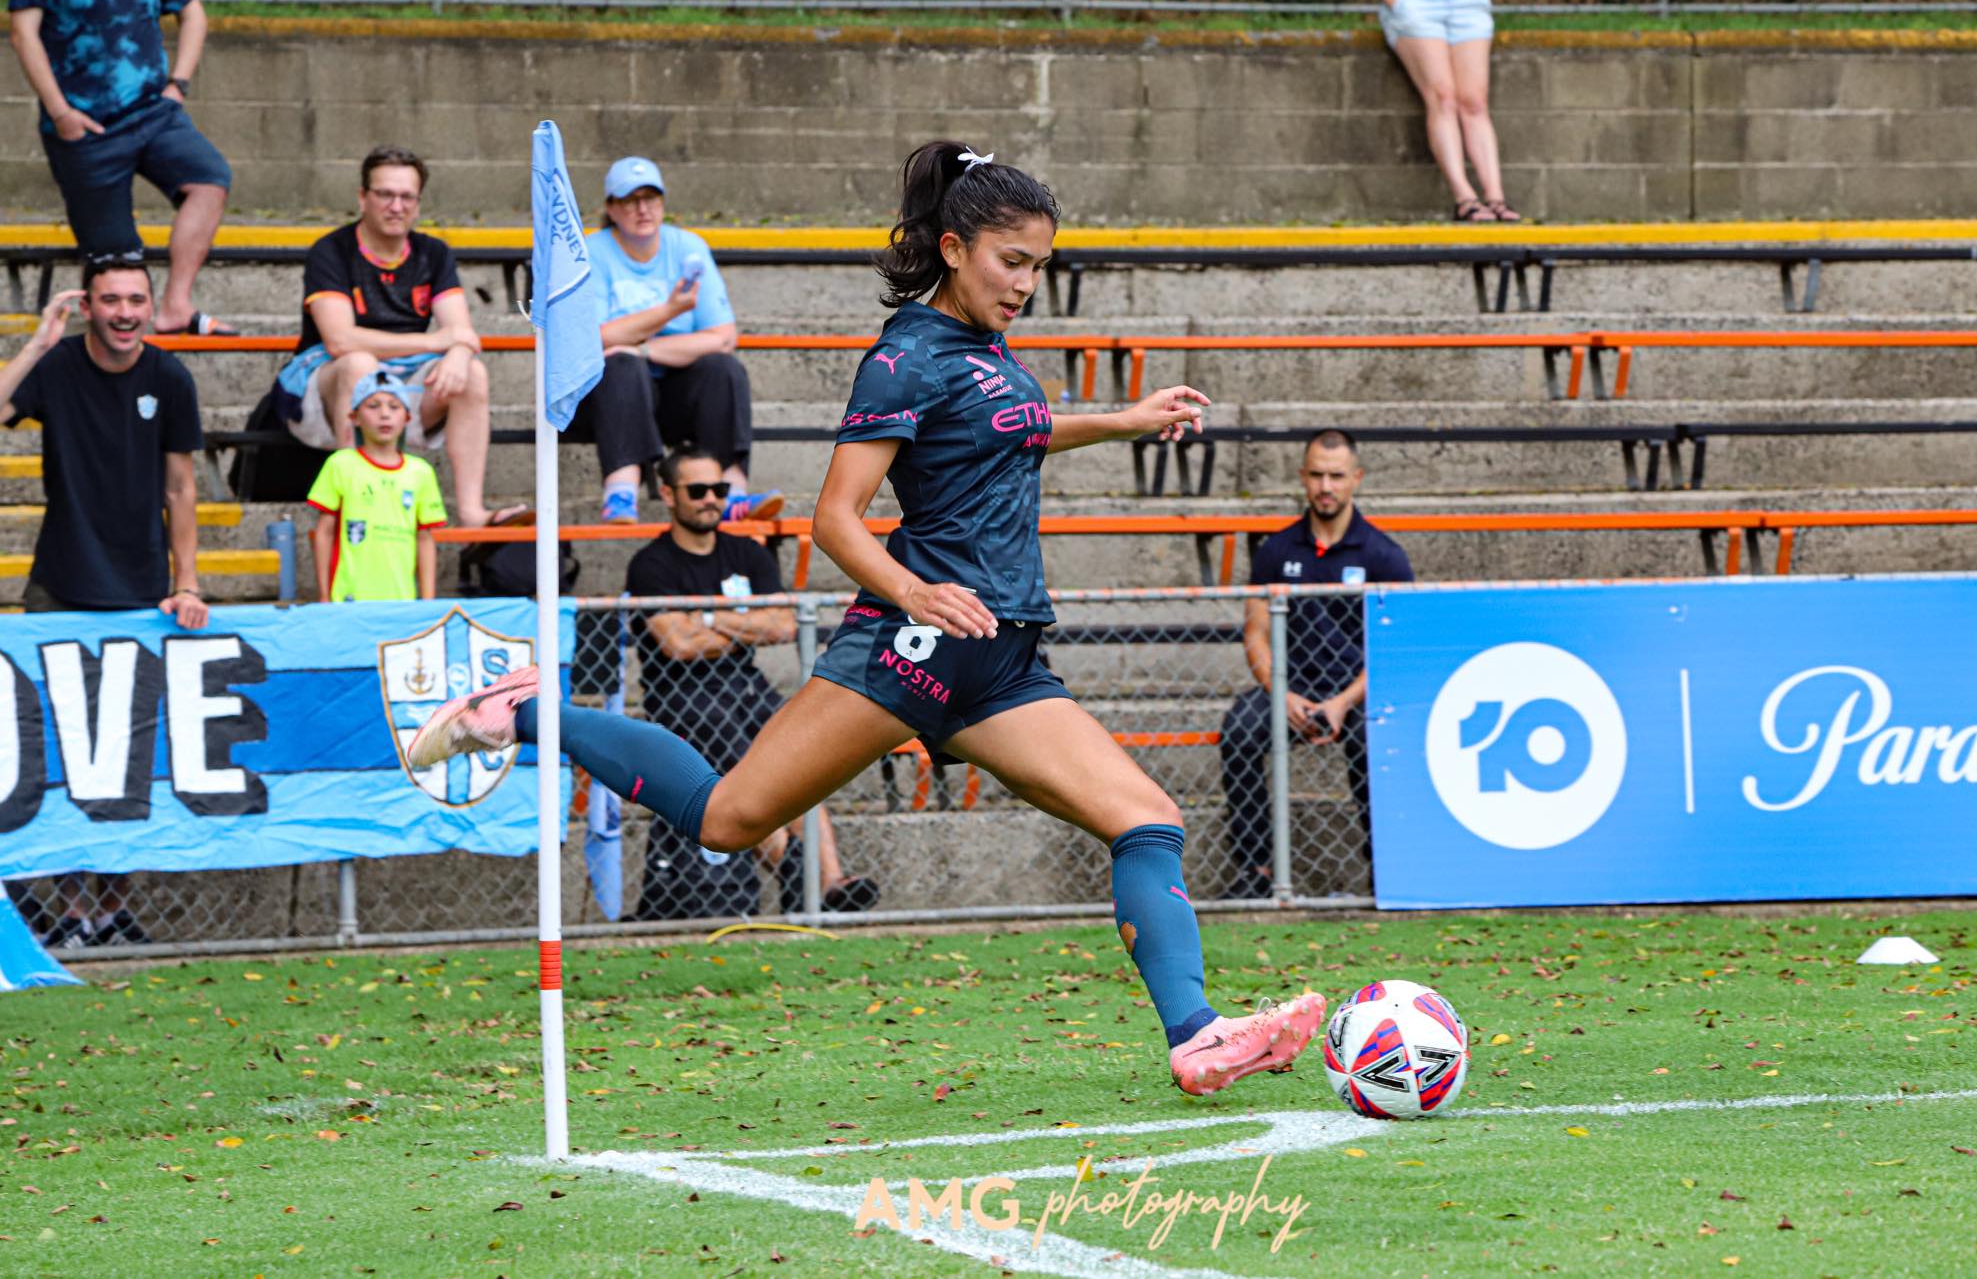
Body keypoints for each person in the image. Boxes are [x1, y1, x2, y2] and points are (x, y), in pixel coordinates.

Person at [408, 140, 1326, 1098]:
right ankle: (522, 713)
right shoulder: (903, 359)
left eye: (1040, 267)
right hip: (914, 645)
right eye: (1013, 262)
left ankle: (1196, 1034)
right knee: (728, 819)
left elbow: (1024, 430)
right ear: (955, 246)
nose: (1026, 284)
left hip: (1002, 658)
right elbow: (835, 518)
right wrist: (912, 591)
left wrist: (1127, 418)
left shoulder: (992, 351)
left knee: (1148, 820)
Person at [0, 257, 211, 948]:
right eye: (110, 299)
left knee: (127, 752)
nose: (124, 312)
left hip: (143, 589)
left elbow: (181, 489)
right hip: (60, 582)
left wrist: (188, 581)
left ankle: (113, 908)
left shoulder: (170, 378)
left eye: (136, 300)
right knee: (56, 750)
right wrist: (36, 342)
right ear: (86, 305)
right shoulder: (56, 366)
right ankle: (65, 912)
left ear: (152, 306)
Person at [625, 446, 877, 920]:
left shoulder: (746, 553)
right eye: (697, 490)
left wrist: (704, 615)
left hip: (744, 683)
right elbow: (677, 645)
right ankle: (800, 878)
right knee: (745, 772)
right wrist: (740, 619)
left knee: (800, 760)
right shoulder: (651, 564)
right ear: (667, 494)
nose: (710, 500)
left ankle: (831, 881)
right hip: (682, 696)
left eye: (719, 490)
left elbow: (782, 624)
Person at [8, 0, 236, 332]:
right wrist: (61, 112)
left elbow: (193, 14)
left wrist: (177, 86)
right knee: (114, 263)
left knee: (209, 178)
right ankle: (105, 372)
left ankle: (176, 307)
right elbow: (24, 31)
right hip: (85, 128)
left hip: (154, 112)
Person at [271, 145, 517, 532]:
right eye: (385, 194)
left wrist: (457, 352)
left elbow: (461, 330)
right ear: (363, 198)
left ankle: (471, 514)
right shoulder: (331, 250)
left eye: (406, 197)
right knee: (360, 365)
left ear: (418, 204)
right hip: (323, 388)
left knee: (473, 374)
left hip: (404, 385)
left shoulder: (433, 253)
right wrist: (439, 343)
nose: (396, 205)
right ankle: (355, 505)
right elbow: (339, 340)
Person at [1219, 431, 1414, 900]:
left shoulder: (1384, 555)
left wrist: (1345, 702)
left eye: (1337, 476)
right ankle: (1257, 874)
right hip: (1292, 685)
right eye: (1317, 475)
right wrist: (1280, 693)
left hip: (1359, 689)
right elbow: (1256, 633)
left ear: (1356, 480)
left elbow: (1394, 648)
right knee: (1239, 732)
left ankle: (1386, 874)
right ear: (1303, 477)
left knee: (1376, 741)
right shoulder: (1275, 551)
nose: (1326, 486)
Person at [586, 156, 780, 522]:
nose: (642, 209)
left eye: (651, 198)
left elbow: (722, 337)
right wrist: (669, 312)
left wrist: (643, 348)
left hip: (673, 390)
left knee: (723, 369)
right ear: (611, 208)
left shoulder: (687, 246)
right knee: (621, 365)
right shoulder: (593, 251)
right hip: (608, 396)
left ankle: (729, 492)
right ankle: (620, 491)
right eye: (630, 200)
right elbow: (596, 339)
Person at [1357, 0, 1520, 222]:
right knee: (1443, 95)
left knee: (1473, 101)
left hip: (1464, 0)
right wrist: (1396, 0)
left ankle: (1496, 197)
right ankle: (1465, 198)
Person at [305, 371, 446, 601]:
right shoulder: (340, 464)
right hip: (349, 600)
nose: (384, 415)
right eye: (373, 406)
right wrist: (324, 595)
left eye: (394, 406)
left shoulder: (421, 472)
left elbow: (424, 539)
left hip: (402, 601)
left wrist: (427, 601)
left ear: (407, 418)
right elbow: (325, 532)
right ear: (355, 417)